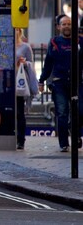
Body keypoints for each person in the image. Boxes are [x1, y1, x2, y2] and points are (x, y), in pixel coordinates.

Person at [39, 14, 83, 152]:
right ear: (59, 27)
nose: (67, 26)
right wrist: (42, 80)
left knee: (80, 111)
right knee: (62, 113)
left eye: (69, 24)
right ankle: (64, 143)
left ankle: (74, 132)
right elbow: (48, 64)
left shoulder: (80, 41)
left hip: (78, 82)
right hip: (59, 83)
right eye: (64, 24)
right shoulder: (54, 42)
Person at [15, 28, 37, 150]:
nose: (15, 32)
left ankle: (20, 139)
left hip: (19, 82)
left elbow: (31, 64)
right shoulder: (3, 44)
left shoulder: (25, 47)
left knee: (19, 112)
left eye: (17, 30)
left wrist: (24, 63)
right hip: (6, 81)